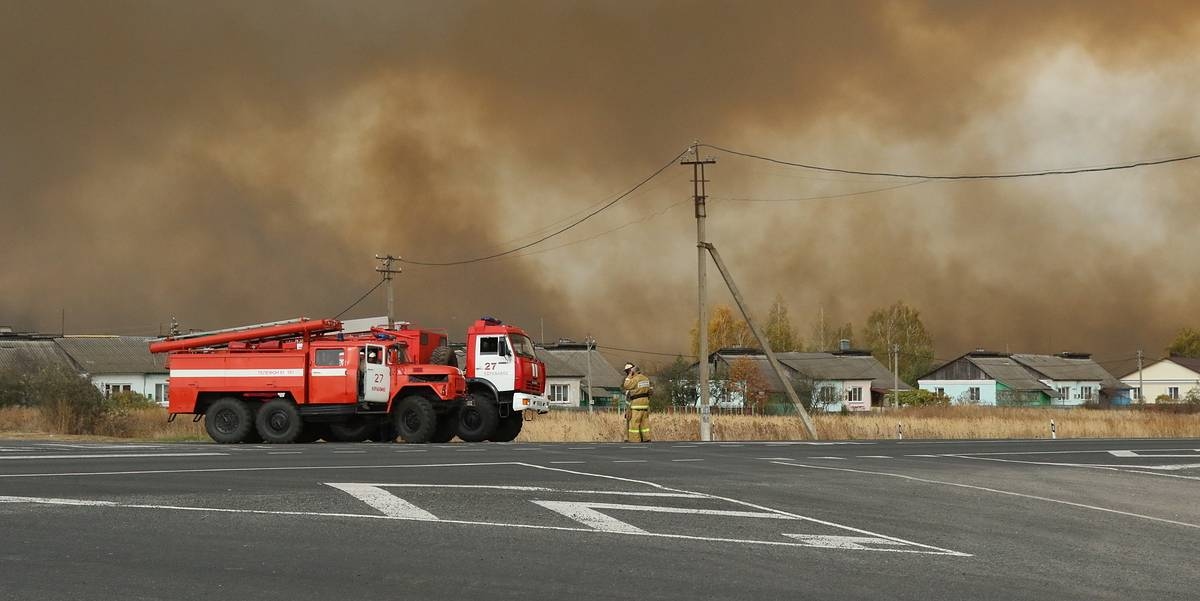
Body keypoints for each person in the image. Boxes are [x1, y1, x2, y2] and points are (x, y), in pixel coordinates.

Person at [621, 362, 653, 442]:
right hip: (645, 405)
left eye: (628, 372)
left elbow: (626, 385)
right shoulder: (646, 378)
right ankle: (646, 438)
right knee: (644, 423)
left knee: (634, 423)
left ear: (632, 371)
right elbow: (650, 391)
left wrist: (629, 376)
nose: (627, 373)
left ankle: (635, 439)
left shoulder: (635, 379)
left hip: (636, 405)